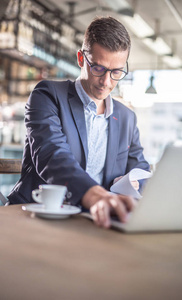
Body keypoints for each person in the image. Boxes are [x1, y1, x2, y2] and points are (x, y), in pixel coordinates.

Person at [8, 16, 150, 228]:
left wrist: (135, 184)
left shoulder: (127, 118)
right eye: (98, 68)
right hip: (36, 217)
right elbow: (52, 155)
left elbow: (140, 168)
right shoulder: (47, 95)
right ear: (81, 59)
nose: (106, 81)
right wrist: (93, 195)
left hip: (92, 223)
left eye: (116, 72)